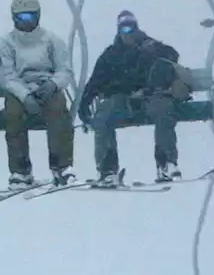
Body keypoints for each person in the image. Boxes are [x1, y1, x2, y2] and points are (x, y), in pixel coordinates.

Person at [76, 10, 188, 185]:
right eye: (124, 29)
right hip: (122, 98)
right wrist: (84, 104)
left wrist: (152, 48)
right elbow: (95, 81)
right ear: (119, 31)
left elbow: (172, 55)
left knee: (164, 110)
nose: (128, 33)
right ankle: (107, 169)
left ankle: (166, 162)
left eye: (131, 29)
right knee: (104, 117)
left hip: (148, 96)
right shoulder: (112, 54)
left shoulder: (149, 47)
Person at [0, 0, 77, 189]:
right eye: (22, 18)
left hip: (46, 87)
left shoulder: (51, 40)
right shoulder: (7, 43)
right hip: (20, 89)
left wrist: (53, 84)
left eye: (30, 16)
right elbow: (7, 76)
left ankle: (62, 166)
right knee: (13, 113)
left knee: (58, 109)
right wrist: (25, 95)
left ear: (38, 16)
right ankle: (20, 170)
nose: (26, 22)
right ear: (14, 18)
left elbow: (64, 69)